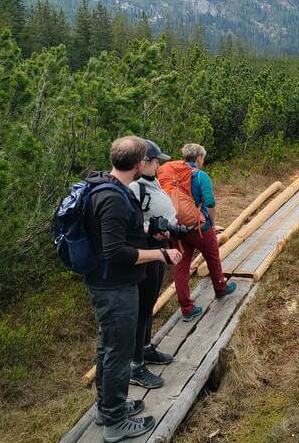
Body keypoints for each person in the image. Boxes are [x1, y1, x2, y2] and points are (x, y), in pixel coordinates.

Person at [83, 135, 182, 443]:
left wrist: (150, 233)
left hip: (112, 283)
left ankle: (108, 408)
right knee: (117, 352)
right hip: (114, 285)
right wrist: (161, 254)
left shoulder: (107, 187)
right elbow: (115, 251)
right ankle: (114, 424)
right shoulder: (112, 197)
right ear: (140, 164)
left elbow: (118, 237)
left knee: (108, 349)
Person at [126, 139, 176, 390]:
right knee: (142, 308)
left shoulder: (151, 183)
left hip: (158, 250)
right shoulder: (134, 187)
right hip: (145, 251)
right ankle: (135, 365)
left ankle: (145, 348)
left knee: (149, 305)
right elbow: (131, 224)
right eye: (156, 161)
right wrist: (151, 230)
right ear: (143, 163)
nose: (159, 165)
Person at [171, 143, 235, 321]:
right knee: (212, 257)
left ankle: (186, 308)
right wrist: (212, 224)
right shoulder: (200, 176)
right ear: (199, 158)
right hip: (200, 228)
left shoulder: (173, 175)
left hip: (178, 228)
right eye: (203, 158)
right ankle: (221, 289)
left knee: (181, 267)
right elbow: (210, 202)